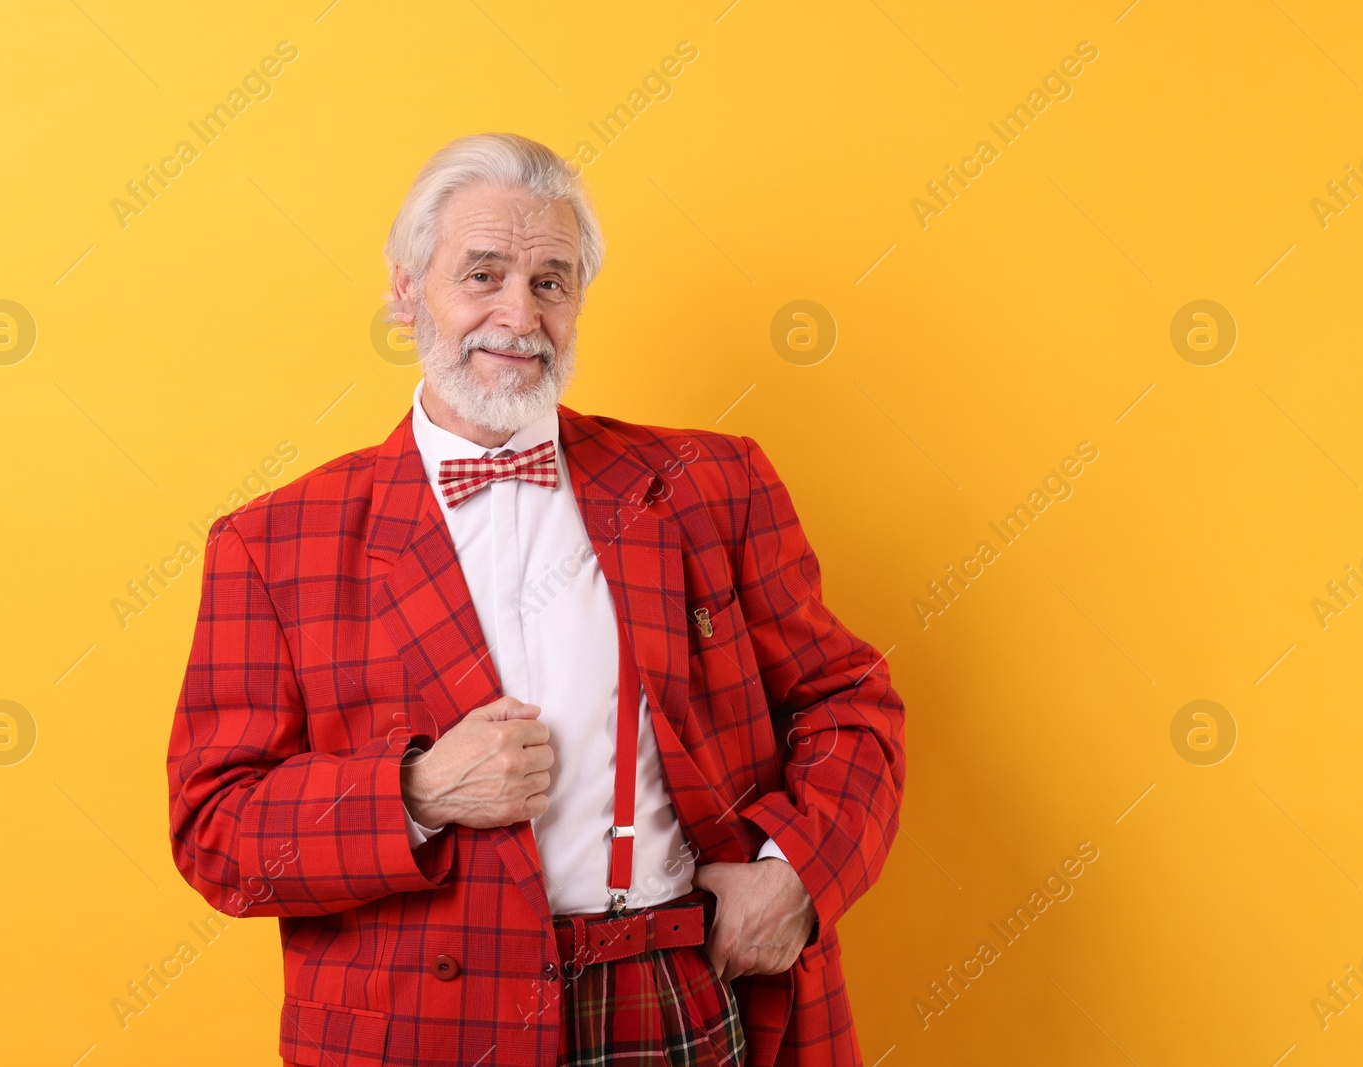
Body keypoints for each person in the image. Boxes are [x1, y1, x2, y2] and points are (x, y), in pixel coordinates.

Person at [166, 132, 905, 1067]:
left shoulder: (713, 483)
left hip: (674, 994)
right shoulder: (273, 541)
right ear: (405, 292)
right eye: (482, 274)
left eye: (551, 281)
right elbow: (217, 830)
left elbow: (850, 705)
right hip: (424, 1033)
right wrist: (417, 792)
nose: (518, 314)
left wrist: (794, 872)